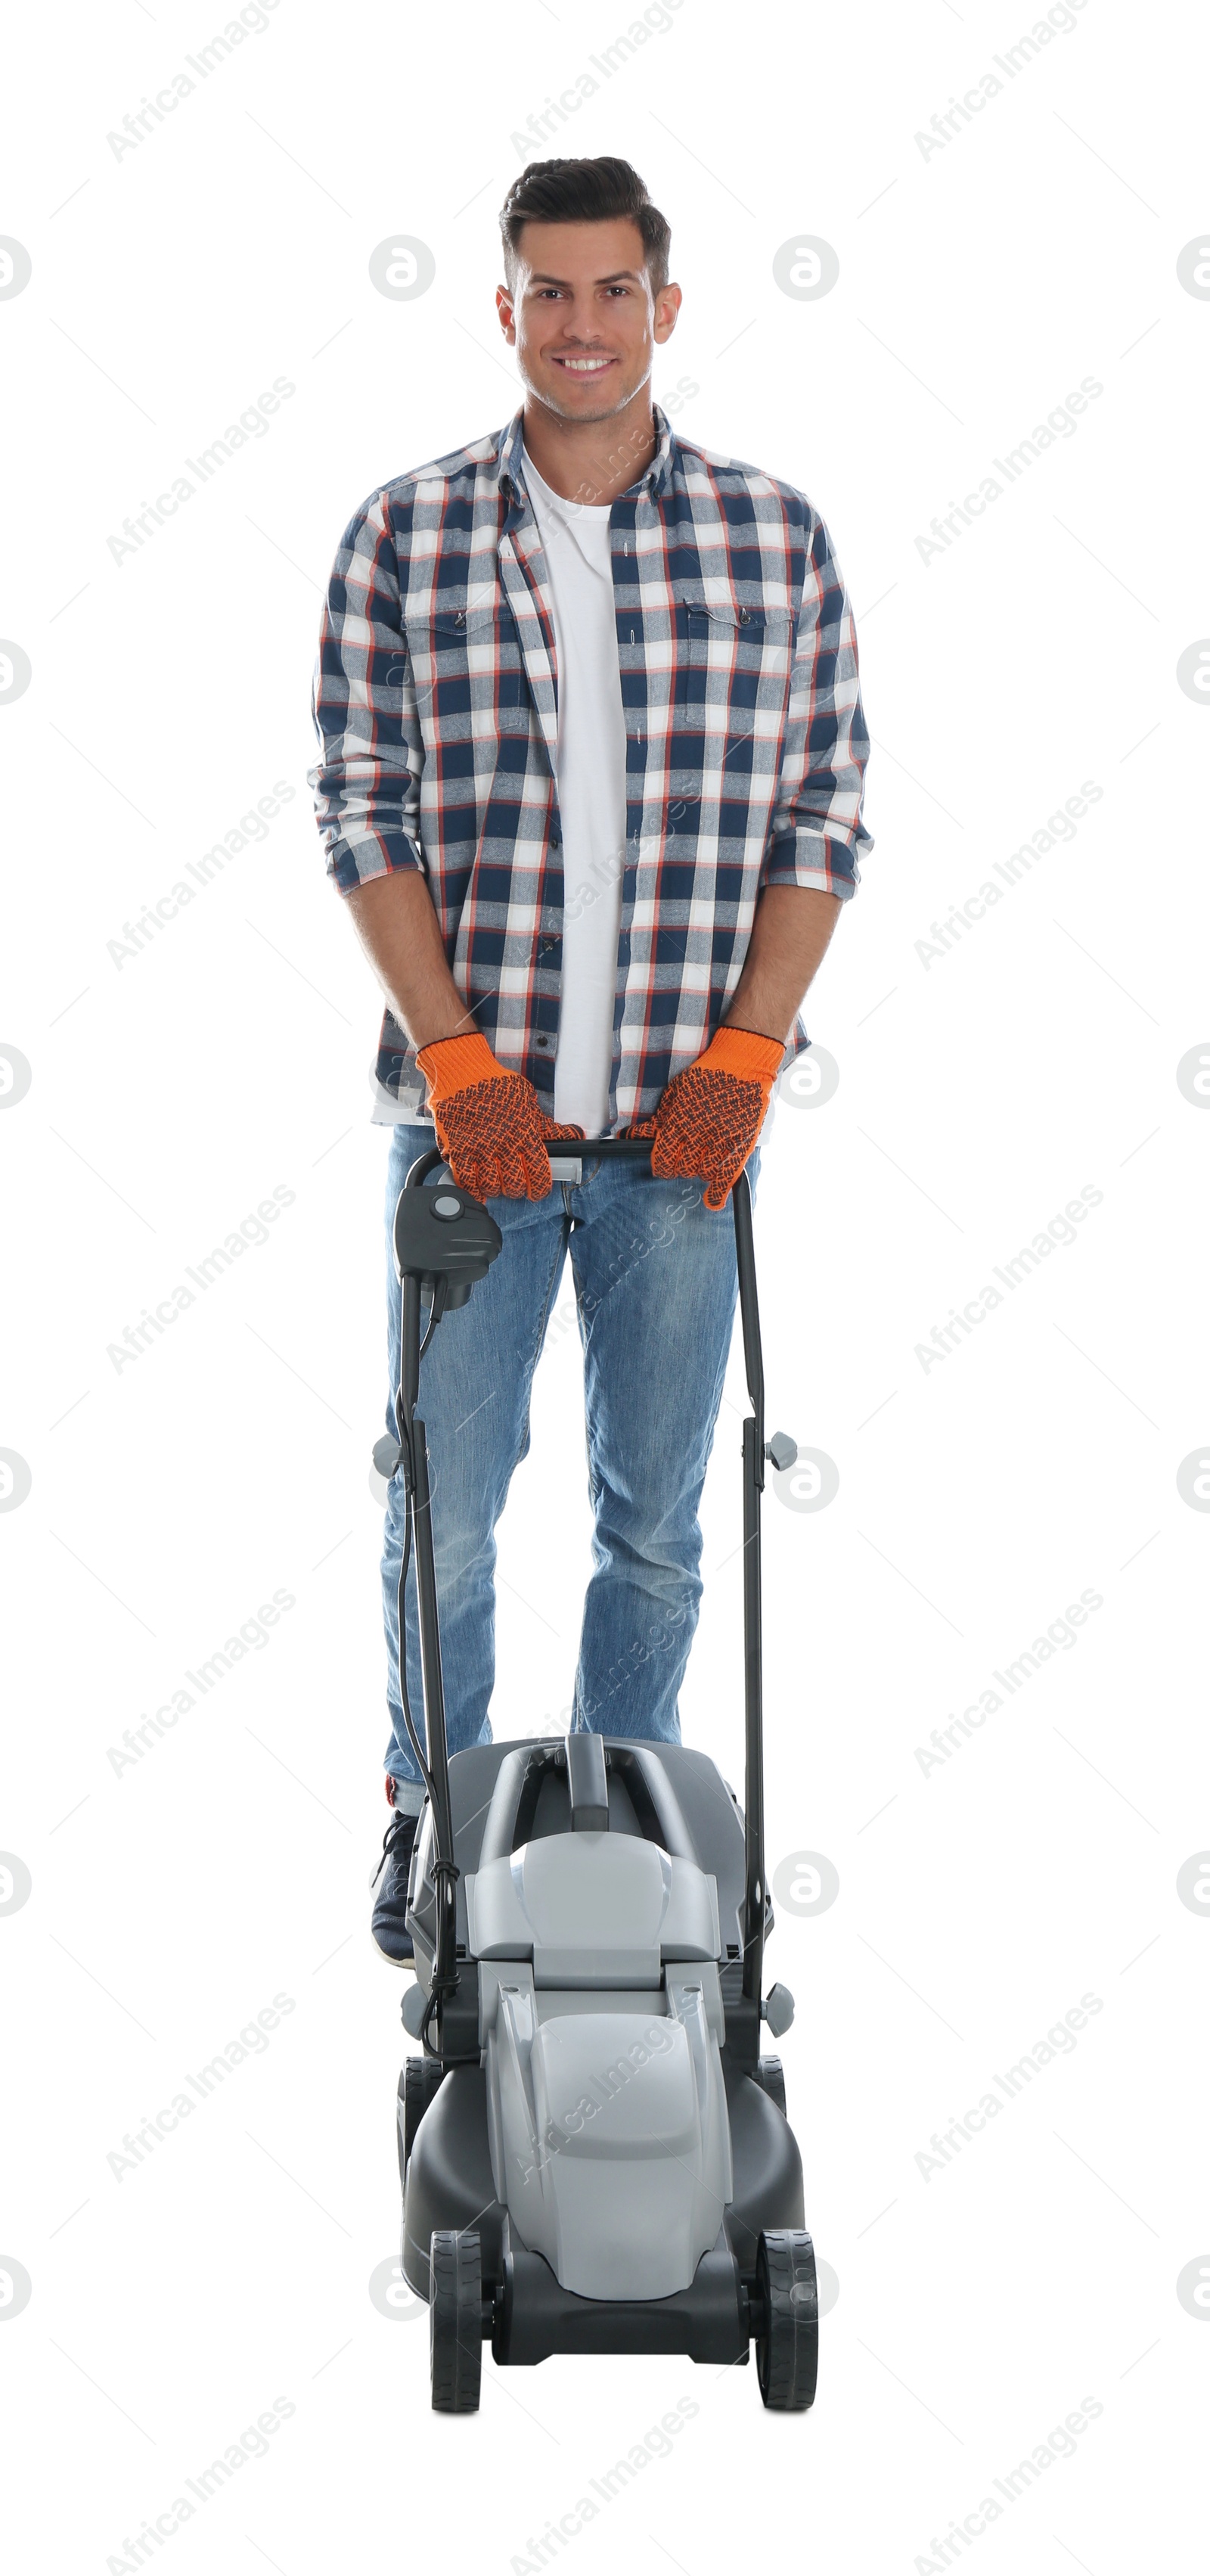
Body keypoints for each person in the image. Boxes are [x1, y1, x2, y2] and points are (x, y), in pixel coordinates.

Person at [308, 155, 872, 1961]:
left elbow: (820, 813)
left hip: (675, 1148)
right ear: (502, 310)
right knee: (447, 1515)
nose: (578, 325)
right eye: (545, 292)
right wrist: (453, 1058)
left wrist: (747, 1056)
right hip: (467, 1139)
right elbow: (360, 807)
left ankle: (624, 1821)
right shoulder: (405, 535)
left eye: (610, 290)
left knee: (655, 1522)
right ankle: (437, 1817)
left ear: (663, 306)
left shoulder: (768, 537)